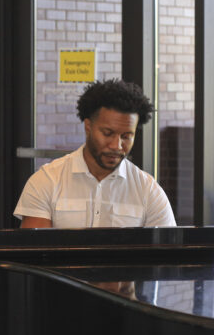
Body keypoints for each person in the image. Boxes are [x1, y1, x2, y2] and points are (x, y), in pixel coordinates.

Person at [14, 79, 175, 229]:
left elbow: (166, 254)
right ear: (88, 126)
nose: (116, 145)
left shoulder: (148, 190)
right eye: (107, 133)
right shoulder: (47, 180)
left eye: (126, 136)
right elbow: (36, 254)